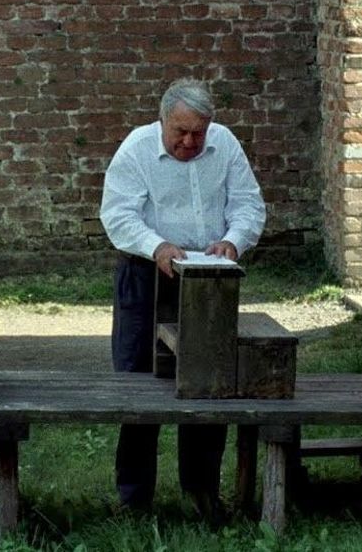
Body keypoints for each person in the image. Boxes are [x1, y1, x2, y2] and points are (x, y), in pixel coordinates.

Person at [99, 77, 267, 520]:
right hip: (146, 276)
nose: (190, 142)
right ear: (163, 121)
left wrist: (233, 241)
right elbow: (117, 214)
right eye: (181, 132)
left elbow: (249, 204)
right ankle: (133, 499)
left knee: (208, 384)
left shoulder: (225, 145)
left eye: (199, 132)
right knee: (139, 385)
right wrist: (157, 246)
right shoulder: (136, 149)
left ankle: (202, 494)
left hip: (210, 282)